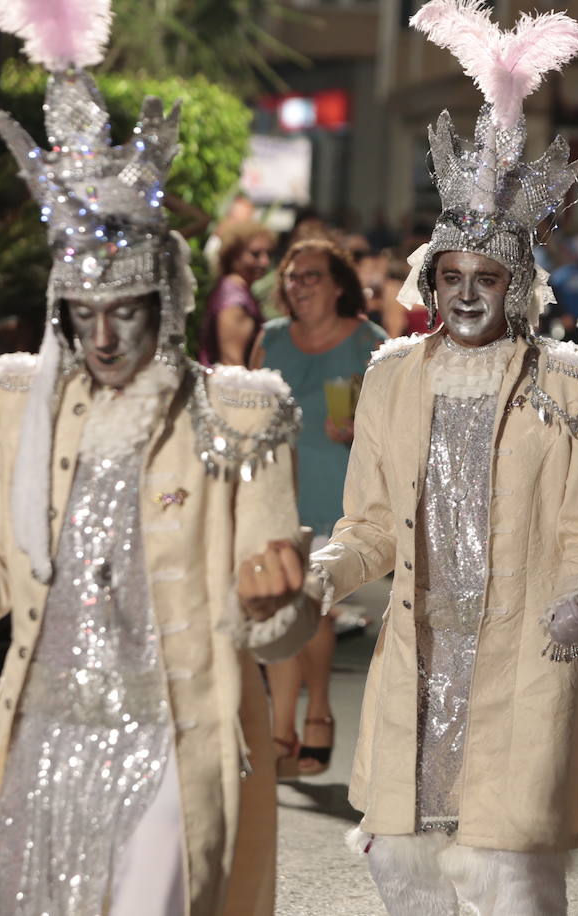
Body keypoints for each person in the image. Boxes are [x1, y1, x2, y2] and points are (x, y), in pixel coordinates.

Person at [0, 34, 320, 915]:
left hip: (175, 743)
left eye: (124, 309)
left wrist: (274, 603)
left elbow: (276, 618)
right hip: (42, 741)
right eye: (81, 313)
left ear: (165, 301)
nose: (101, 338)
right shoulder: (23, 402)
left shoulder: (242, 415)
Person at [312, 3, 578, 913]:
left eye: (484, 279)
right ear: (430, 280)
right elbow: (370, 523)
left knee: (515, 883)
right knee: (401, 864)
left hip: (523, 659)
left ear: (517, 285)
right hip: (418, 656)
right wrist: (328, 569)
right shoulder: (392, 379)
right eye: (450, 277)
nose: (464, 296)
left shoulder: (572, 383)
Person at [251, 237, 387, 777]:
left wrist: (358, 430)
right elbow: (246, 406)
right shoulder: (271, 339)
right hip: (275, 489)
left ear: (338, 285)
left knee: (315, 604)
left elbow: (392, 423)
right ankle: (284, 729)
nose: (299, 286)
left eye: (311, 276)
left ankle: (317, 717)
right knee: (282, 606)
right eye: (292, 276)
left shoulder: (368, 341)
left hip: (336, 489)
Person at [199, 221, 274, 368]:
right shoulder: (233, 295)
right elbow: (232, 362)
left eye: (268, 254)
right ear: (233, 255)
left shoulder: (237, 289)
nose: (265, 262)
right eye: (255, 254)